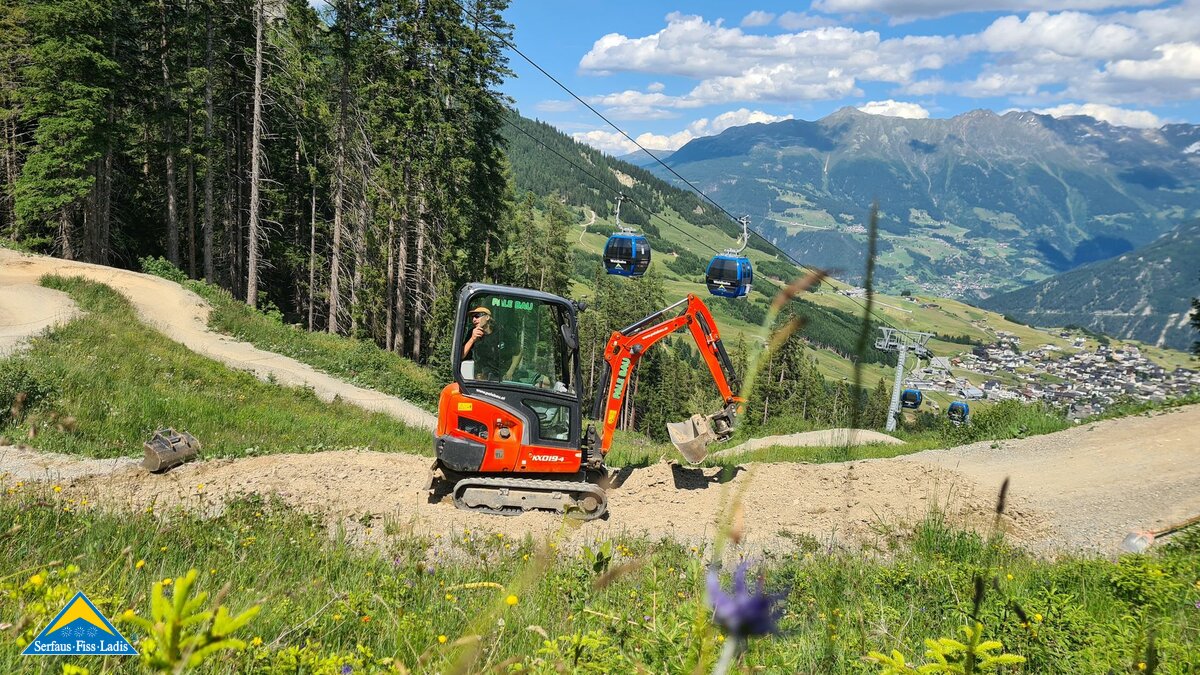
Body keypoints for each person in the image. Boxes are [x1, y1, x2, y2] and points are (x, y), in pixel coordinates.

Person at [462, 305, 520, 381]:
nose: (474, 319)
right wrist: (472, 339)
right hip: (478, 379)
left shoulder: (502, 332)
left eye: (477, 316)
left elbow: (518, 352)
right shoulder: (471, 333)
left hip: (501, 379)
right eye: (472, 317)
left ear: (487, 317)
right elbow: (461, 356)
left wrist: (510, 371)